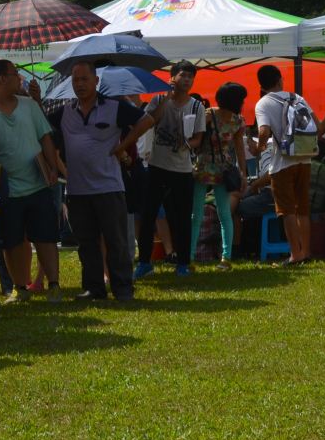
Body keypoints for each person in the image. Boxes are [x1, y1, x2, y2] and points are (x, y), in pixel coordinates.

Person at [53, 61, 139, 299]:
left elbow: (146, 120)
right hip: (77, 190)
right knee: (87, 243)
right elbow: (44, 131)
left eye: (84, 79)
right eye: (75, 80)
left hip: (109, 187)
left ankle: (123, 288)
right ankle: (93, 288)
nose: (79, 84)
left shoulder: (114, 106)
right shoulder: (65, 111)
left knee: (116, 241)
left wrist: (123, 145)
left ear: (96, 81)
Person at [0, 60, 63, 303]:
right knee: (12, 241)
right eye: (14, 74)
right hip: (7, 189)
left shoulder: (30, 105)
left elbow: (46, 139)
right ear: (0, 80)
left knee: (45, 238)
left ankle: (53, 284)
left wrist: (52, 169)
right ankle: (20, 287)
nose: (19, 78)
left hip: (38, 183)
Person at [131, 61, 205, 278]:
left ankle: (183, 262)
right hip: (156, 166)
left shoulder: (196, 106)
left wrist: (187, 144)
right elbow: (150, 121)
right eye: (183, 75)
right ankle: (145, 262)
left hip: (182, 169)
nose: (187, 80)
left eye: (191, 77)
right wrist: (166, 100)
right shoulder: (159, 100)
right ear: (172, 77)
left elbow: (199, 139)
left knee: (182, 217)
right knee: (148, 215)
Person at [253, 65, 313, 265]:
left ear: (261, 84)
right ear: (280, 79)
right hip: (304, 158)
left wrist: (259, 148)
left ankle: (295, 255)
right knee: (303, 209)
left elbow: (263, 131)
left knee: (287, 210)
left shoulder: (263, 103)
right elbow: (317, 125)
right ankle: (305, 252)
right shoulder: (298, 98)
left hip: (282, 163)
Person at [192, 82, 247, 270]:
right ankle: (221, 257)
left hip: (207, 167)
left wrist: (243, 173)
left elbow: (239, 146)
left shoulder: (214, 115)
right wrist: (242, 172)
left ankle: (220, 256)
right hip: (218, 168)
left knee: (207, 213)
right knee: (214, 213)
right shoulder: (232, 119)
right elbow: (239, 149)